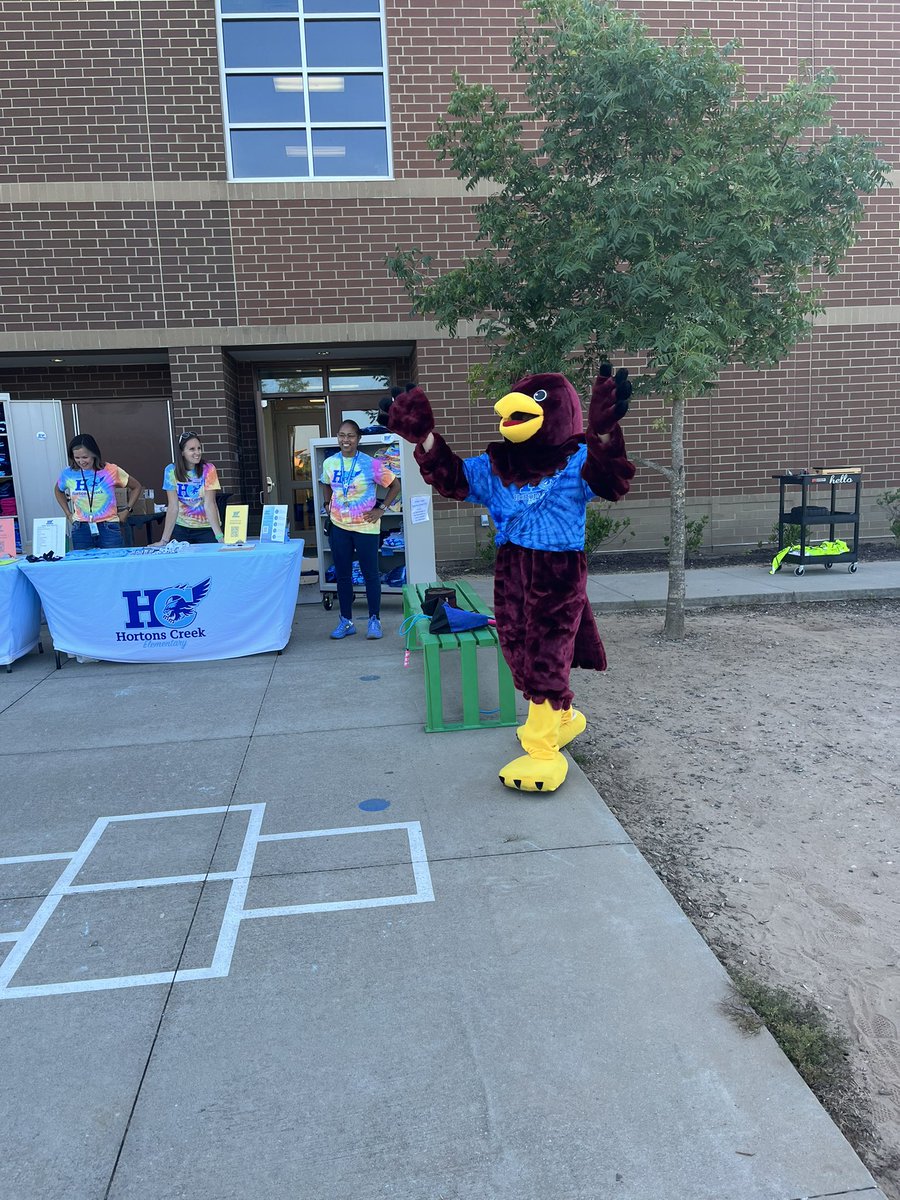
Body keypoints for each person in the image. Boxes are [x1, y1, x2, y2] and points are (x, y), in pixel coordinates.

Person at [321, 419, 400, 640]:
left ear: (358, 439)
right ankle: (346, 622)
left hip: (366, 527)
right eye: (342, 435)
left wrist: (381, 509)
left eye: (351, 436)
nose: (346, 440)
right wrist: (328, 505)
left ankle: (374, 620)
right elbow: (325, 483)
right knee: (343, 575)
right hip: (339, 527)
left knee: (370, 575)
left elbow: (395, 485)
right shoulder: (330, 463)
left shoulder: (371, 464)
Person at [54, 434, 142, 550]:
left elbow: (136, 487)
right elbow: (58, 490)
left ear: (94, 454)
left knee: (112, 564)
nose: (81, 461)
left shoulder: (111, 470)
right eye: (77, 458)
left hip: (109, 526)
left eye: (85, 457)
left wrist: (127, 510)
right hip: (81, 528)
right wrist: (68, 514)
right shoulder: (68, 473)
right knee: (84, 565)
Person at [156, 431, 224, 546]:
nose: (197, 453)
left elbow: (210, 504)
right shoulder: (170, 470)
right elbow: (173, 506)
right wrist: (164, 541)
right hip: (181, 528)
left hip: (206, 528)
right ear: (182, 452)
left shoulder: (208, 469)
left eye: (199, 448)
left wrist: (220, 537)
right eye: (192, 449)